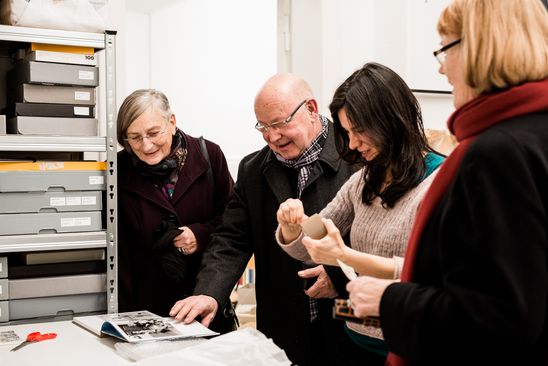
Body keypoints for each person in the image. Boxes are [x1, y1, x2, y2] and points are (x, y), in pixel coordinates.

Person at [345, 1, 548, 365]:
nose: (440, 69)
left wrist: (389, 301)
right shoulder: (532, 135)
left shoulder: (498, 153)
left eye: (444, 48)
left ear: (481, 47)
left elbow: (501, 319)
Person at [169, 73, 358, 366]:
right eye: (263, 127)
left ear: (311, 109)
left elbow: (375, 241)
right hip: (283, 328)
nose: (272, 137)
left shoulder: (356, 156)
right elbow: (231, 239)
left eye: (280, 124)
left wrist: (338, 276)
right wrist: (209, 293)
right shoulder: (253, 170)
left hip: (348, 324)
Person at [275, 62, 444, 364]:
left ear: (391, 120)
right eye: (346, 132)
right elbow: (312, 243)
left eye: (359, 131)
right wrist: (294, 225)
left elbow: (426, 273)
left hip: (409, 345)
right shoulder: (363, 181)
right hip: (355, 338)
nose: (352, 144)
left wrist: (347, 256)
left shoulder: (439, 183)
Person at [116, 89, 235, 333]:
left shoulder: (209, 155)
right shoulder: (118, 169)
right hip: (145, 312)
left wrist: (199, 234)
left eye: (153, 133)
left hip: (202, 302)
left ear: (171, 122)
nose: (146, 145)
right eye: (134, 137)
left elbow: (233, 222)